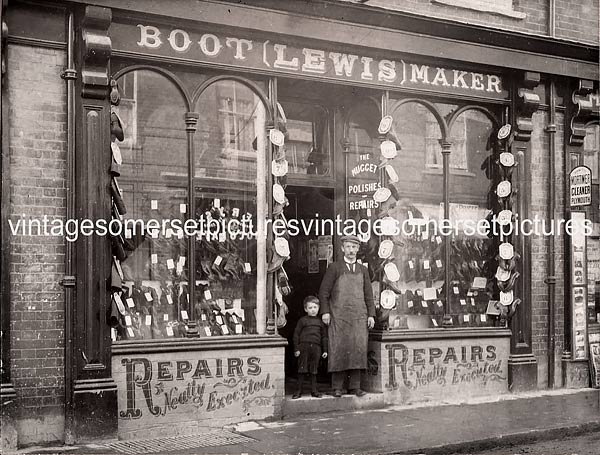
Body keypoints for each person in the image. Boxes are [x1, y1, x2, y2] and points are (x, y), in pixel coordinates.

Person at [319, 235, 375, 397]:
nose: (351, 250)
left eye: (354, 247)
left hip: (359, 316)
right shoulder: (334, 268)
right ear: (342, 249)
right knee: (339, 348)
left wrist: (371, 314)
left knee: (357, 348)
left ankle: (355, 386)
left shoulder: (363, 270)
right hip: (338, 315)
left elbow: (369, 295)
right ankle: (337, 387)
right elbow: (324, 292)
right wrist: (325, 312)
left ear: (358, 249)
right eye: (348, 247)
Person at [292, 296, 328, 399]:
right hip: (304, 347)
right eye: (310, 308)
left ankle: (314, 390)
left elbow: (324, 337)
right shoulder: (302, 321)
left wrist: (324, 350)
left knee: (314, 369)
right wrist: (296, 348)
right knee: (302, 369)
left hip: (316, 348)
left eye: (315, 307)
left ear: (319, 308)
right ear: (305, 309)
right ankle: (298, 390)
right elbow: (296, 335)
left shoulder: (320, 322)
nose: (313, 310)